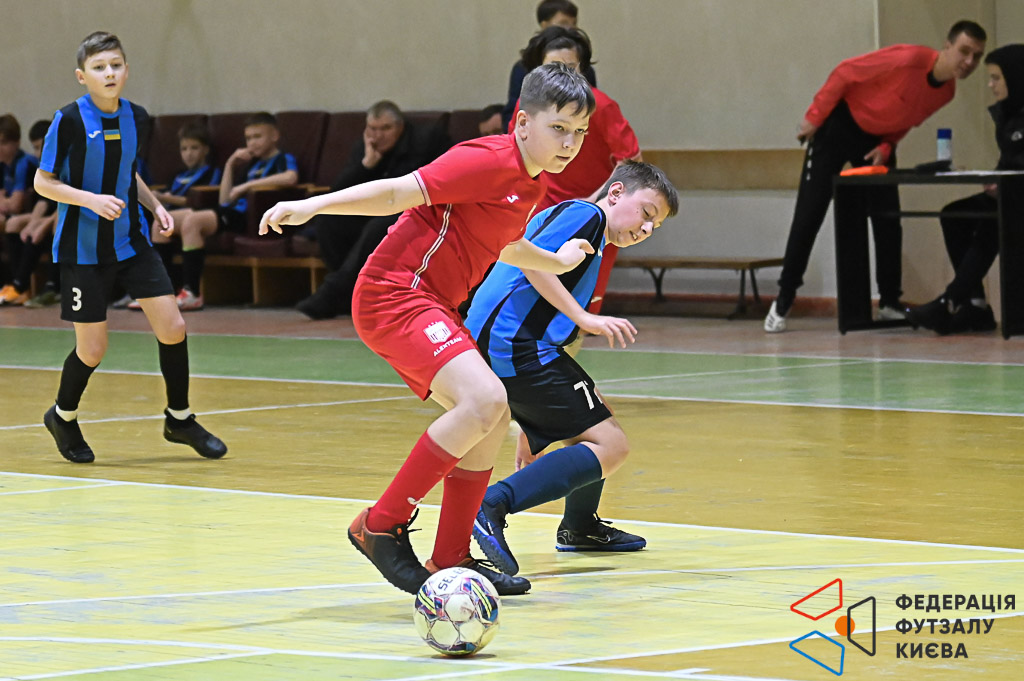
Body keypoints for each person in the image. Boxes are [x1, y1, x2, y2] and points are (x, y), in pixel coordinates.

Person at [260, 63, 597, 596]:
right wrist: (313, 205)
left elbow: (503, 244)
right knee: (485, 399)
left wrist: (556, 261)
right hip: (395, 293)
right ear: (522, 122)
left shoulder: (532, 181)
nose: (570, 143)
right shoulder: (486, 158)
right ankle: (380, 525)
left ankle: (451, 557)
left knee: (494, 416)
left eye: (579, 132)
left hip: (433, 303)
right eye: (559, 128)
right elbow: (398, 193)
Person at [466, 161, 677, 576]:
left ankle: (580, 526)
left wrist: (533, 424)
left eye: (655, 226)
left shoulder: (590, 231)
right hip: (513, 343)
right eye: (646, 213)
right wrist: (584, 316)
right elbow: (531, 262)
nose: (646, 229)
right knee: (611, 446)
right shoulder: (587, 215)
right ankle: (492, 504)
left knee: (598, 414)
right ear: (615, 193)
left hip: (515, 344)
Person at [33, 31, 226, 464]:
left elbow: (128, 171)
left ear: (126, 70)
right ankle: (62, 417)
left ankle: (179, 419)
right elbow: (43, 182)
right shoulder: (68, 120)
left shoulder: (137, 117)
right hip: (83, 249)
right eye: (99, 67)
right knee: (92, 349)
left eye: (116, 65)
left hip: (132, 242)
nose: (109, 73)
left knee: (173, 327)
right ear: (82, 76)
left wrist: (156, 206)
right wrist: (90, 200)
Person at [764, 20, 988, 333]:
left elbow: (906, 120)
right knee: (810, 212)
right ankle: (784, 297)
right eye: (964, 51)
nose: (969, 62)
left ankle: (889, 302)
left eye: (977, 56)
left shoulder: (946, 92)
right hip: (839, 126)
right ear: (947, 46)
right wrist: (814, 117)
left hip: (876, 142)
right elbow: (844, 73)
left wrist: (886, 146)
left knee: (887, 218)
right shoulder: (908, 59)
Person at [511, 26, 642, 316]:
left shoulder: (602, 106)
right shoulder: (527, 106)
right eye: (552, 68)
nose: (562, 76)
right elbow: (516, 155)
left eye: (570, 68)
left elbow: (631, 162)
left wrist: (593, 202)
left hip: (595, 210)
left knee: (582, 314)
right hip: (542, 209)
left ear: (582, 70)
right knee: (530, 302)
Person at [906, 44, 1024, 335]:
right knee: (954, 215)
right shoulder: (1008, 114)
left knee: (995, 218)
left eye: (996, 78)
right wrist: (994, 179)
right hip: (1012, 195)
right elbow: (1010, 161)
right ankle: (974, 304)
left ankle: (949, 300)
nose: (991, 85)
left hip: (1017, 198)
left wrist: (1005, 184)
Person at [296, 101, 447, 319]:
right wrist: (366, 165)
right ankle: (351, 290)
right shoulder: (365, 146)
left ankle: (335, 291)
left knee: (379, 226)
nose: (378, 136)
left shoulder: (427, 140)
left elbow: (431, 184)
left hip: (419, 211)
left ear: (401, 126)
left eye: (385, 129)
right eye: (372, 129)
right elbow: (339, 191)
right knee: (329, 218)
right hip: (378, 209)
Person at [174, 112, 297, 310]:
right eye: (248, 138)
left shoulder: (283, 158)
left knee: (193, 222)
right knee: (163, 222)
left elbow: (290, 177)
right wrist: (230, 164)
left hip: (248, 216)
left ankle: (192, 292)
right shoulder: (250, 165)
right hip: (230, 212)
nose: (252, 143)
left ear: (274, 135)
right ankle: (156, 293)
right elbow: (224, 200)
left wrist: (247, 186)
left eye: (258, 136)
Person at [501, 0, 598, 129]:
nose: (571, 29)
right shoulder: (523, 68)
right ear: (544, 25)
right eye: (563, 23)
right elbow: (512, 117)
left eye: (574, 23)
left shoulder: (587, 70)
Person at [1, 119, 49, 305]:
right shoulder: (2, 165)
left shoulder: (25, 163)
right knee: (14, 224)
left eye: (3, 143)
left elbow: (15, 205)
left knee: (15, 224)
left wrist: (37, 222)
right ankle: (16, 285)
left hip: (50, 213)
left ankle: (21, 285)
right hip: (40, 211)